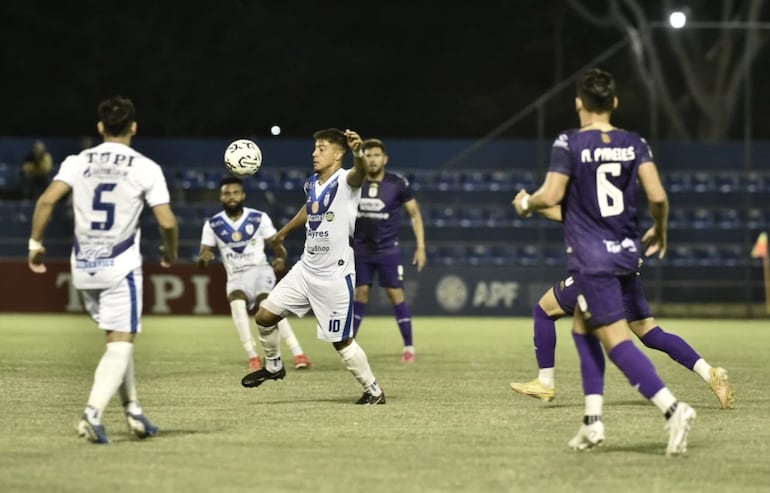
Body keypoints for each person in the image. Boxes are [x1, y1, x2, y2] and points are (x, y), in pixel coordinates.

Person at [512, 68, 696, 456]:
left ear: (579, 103)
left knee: (617, 343)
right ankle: (592, 422)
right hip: (626, 254)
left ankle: (673, 409)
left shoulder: (569, 141)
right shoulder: (635, 142)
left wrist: (526, 203)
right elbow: (658, 197)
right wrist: (660, 230)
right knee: (581, 332)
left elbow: (551, 195)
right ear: (614, 103)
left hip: (591, 260)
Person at [28, 96, 179, 444]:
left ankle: (134, 412)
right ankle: (91, 415)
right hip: (120, 265)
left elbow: (47, 200)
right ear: (134, 127)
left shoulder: (77, 161)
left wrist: (35, 245)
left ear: (100, 127)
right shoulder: (145, 167)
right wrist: (170, 252)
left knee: (116, 338)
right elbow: (168, 222)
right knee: (122, 342)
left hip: (83, 266)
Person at [509, 211, 734, 409]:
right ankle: (709, 373)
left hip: (599, 270)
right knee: (651, 333)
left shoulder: (587, 180)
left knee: (544, 311)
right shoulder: (621, 185)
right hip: (625, 269)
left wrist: (529, 202)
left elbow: (563, 211)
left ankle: (546, 382)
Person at [241, 128, 385, 405]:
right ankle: (273, 366)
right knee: (264, 317)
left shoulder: (346, 180)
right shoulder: (311, 183)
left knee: (341, 342)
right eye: (315, 148)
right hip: (306, 269)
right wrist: (283, 232)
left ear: (338, 153)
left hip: (334, 275)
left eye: (321, 148)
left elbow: (360, 172)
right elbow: (310, 208)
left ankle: (374, 391)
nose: (314, 153)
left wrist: (358, 152)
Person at [197, 176, 311, 371]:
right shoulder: (213, 224)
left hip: (260, 271)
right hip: (236, 276)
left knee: (268, 306)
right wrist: (203, 258)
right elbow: (202, 258)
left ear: (243, 195)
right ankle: (253, 356)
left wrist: (281, 258)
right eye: (227, 193)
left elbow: (275, 244)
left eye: (235, 193)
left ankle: (298, 353)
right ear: (221, 196)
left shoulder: (258, 218)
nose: (231, 197)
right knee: (238, 305)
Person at [353, 138, 426, 363]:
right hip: (360, 249)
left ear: (385, 158)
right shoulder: (355, 181)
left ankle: (409, 348)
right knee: (359, 294)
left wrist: (421, 246)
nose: (372, 159)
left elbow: (415, 214)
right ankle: (349, 346)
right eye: (368, 155)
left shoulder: (398, 183)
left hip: (387, 249)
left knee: (396, 295)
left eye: (376, 155)